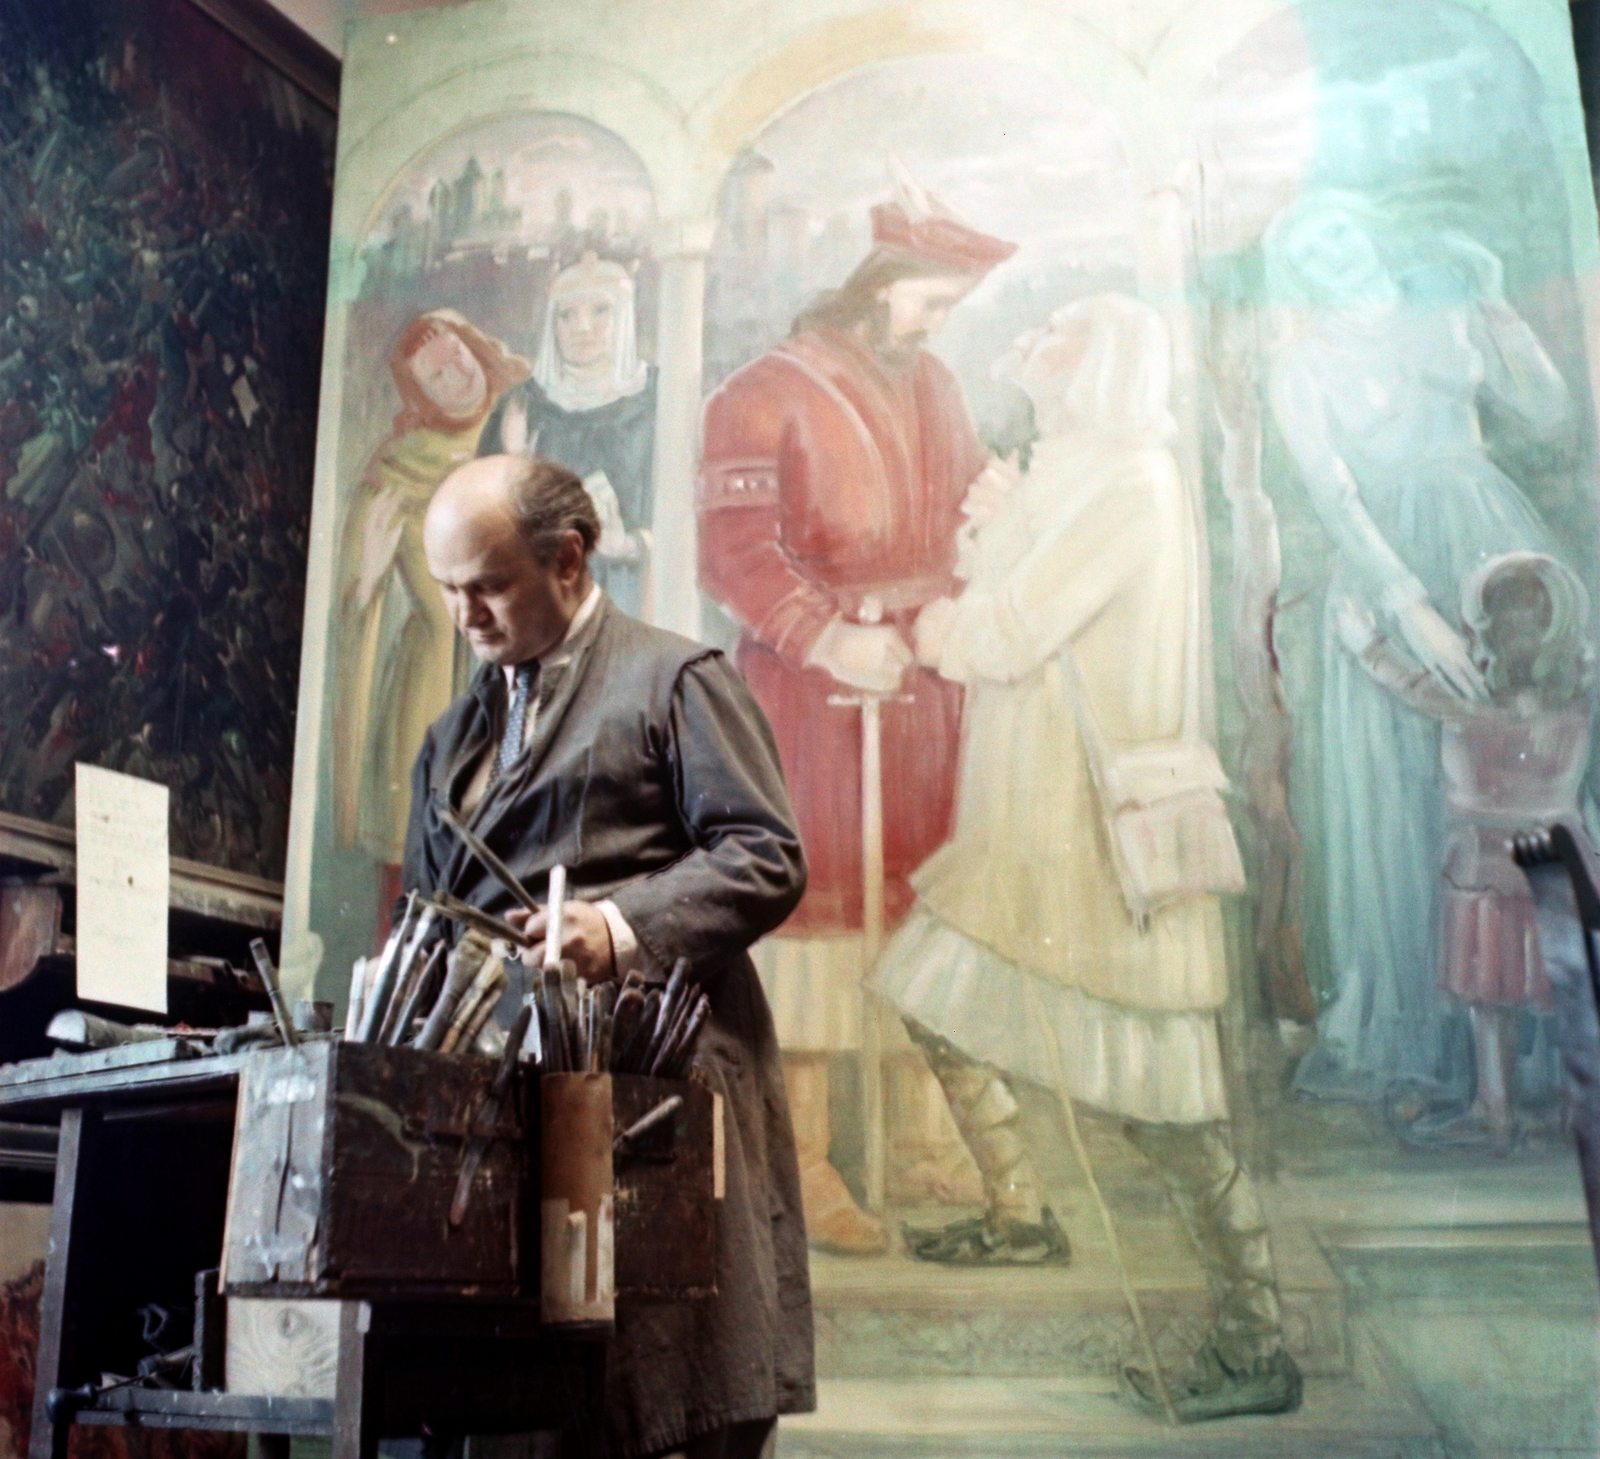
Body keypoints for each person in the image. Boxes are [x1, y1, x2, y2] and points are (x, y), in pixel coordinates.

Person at [872, 295, 1301, 1421]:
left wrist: (925, 636)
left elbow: (1007, 626)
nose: (1033, 337)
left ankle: (1256, 1341)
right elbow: (996, 569)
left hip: (1093, 840)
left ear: (1107, 357)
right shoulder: (1072, 466)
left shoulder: (1130, 480)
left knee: (1166, 1111)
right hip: (1029, 827)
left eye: (1057, 327)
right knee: (929, 999)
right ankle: (1021, 1213)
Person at [403, 453, 813, 1459]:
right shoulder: (454, 736)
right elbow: (427, 914)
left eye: (489, 586)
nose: (466, 618)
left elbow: (768, 857)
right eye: (450, 591)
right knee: (527, 1405)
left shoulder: (674, 680)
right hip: (509, 1102)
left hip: (659, 1087)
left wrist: (619, 925)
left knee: (672, 1390)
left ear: (571, 562)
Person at [698, 182, 1018, 1254]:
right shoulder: (760, 391)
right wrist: (831, 638)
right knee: (816, 924)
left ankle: (921, 1136)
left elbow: (961, 499)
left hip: (923, 691)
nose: (937, 324)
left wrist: (988, 520)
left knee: (922, 909)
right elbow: (735, 549)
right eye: (929, 302)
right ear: (878, 290)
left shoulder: (935, 383)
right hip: (808, 697)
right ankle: (808, 1158)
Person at [1266, 191, 1570, 1103]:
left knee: (1520, 778)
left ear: (1366, 228)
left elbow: (1548, 410)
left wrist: (1498, 300)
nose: (1332, 251)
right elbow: (1334, 497)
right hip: (1390, 568)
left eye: (1337, 228)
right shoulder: (1300, 361)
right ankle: (1429, 1033)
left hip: (1487, 535)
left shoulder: (1441, 310)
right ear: (1300, 272)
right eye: (1308, 246)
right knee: (1408, 797)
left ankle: (1530, 1046)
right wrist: (1411, 611)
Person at [1336, 551, 1593, 1150]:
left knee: (1494, 999)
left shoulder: (1470, 693)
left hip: (1487, 864)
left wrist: (1361, 639)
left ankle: (1497, 1112)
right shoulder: (1576, 687)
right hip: (1559, 860)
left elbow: (1402, 678)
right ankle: (1562, 1111)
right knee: (1561, 997)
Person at [333, 308, 529, 868]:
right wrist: (366, 576)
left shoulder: (528, 414)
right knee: (418, 871)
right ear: (418, 392)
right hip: (430, 685)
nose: (459, 378)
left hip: (520, 674)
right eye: (438, 376)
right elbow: (352, 600)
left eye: (458, 358)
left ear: (476, 346)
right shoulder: (399, 465)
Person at [478, 252, 657, 617]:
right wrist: (515, 464)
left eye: (600, 312)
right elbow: (483, 518)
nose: (582, 328)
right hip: (542, 596)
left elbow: (688, 511)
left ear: (624, 318)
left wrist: (628, 545)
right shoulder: (522, 406)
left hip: (634, 594)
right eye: (567, 315)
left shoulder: (657, 399)